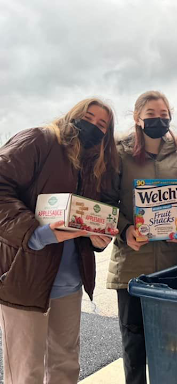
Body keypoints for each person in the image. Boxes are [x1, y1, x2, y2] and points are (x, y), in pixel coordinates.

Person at [0, 98, 119, 384]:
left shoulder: (96, 165)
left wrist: (98, 240)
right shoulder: (39, 140)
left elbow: (95, 214)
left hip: (69, 283)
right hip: (25, 278)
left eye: (102, 124)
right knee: (26, 371)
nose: (92, 126)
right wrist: (37, 234)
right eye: (88, 117)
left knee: (66, 366)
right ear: (73, 115)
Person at [104, 91, 177, 384]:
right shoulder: (119, 155)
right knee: (134, 346)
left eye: (164, 115)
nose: (159, 120)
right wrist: (124, 230)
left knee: (171, 345)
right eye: (151, 115)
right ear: (137, 118)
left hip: (170, 268)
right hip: (131, 267)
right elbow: (105, 204)